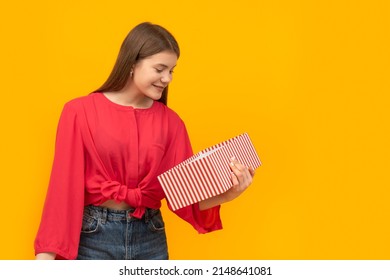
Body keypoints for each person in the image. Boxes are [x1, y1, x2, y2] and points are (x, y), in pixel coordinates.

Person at [34, 22, 255, 260]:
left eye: (172, 70)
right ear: (131, 63)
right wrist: (46, 259)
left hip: (150, 237)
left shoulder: (172, 123)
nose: (167, 78)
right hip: (93, 238)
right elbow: (63, 189)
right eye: (160, 68)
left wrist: (228, 194)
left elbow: (183, 195)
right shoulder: (79, 112)